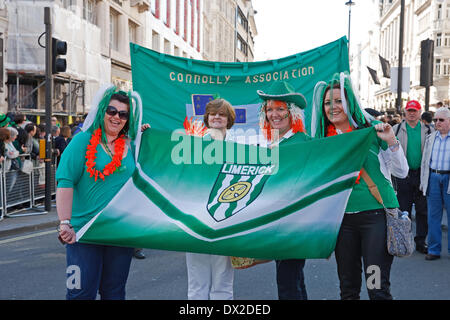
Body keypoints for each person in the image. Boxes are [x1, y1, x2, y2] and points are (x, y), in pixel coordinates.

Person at [311, 72, 408, 300]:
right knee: (348, 287)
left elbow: (401, 171)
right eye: (327, 103)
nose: (332, 107)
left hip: (374, 219)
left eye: (338, 101)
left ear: (349, 103)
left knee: (375, 286)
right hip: (342, 222)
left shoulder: (372, 130)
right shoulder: (323, 141)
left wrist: (391, 141)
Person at [56, 86, 148, 300]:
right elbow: (65, 182)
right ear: (101, 112)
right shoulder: (81, 141)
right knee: (79, 293)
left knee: (114, 293)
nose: (117, 117)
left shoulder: (130, 144)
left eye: (123, 114)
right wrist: (64, 223)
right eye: (112, 111)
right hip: (83, 232)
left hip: (119, 233)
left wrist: (147, 134)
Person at [257, 81, 310, 300]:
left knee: (288, 283)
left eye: (280, 108)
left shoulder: (304, 142)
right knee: (294, 280)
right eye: (269, 109)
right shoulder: (271, 145)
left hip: (295, 223)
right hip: (277, 222)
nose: (274, 114)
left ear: (292, 113)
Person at [185, 98, 236, 300]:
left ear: (228, 119)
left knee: (223, 281)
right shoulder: (193, 144)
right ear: (206, 117)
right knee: (197, 282)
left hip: (225, 219)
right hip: (196, 219)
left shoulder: (239, 146)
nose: (217, 117)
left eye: (222, 114)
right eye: (213, 113)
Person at [392, 100, 434, 254]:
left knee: (423, 210)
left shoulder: (428, 130)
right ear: (405, 112)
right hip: (403, 175)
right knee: (404, 210)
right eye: (409, 110)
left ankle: (420, 241)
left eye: (414, 110)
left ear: (419, 112)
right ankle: (403, 240)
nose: (411, 113)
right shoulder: (396, 129)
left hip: (421, 175)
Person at [420, 107, 450, 261]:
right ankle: (433, 249)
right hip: (433, 177)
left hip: (448, 178)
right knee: (433, 216)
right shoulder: (431, 137)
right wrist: (423, 182)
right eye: (435, 120)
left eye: (441, 120)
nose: (437, 122)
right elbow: (425, 162)